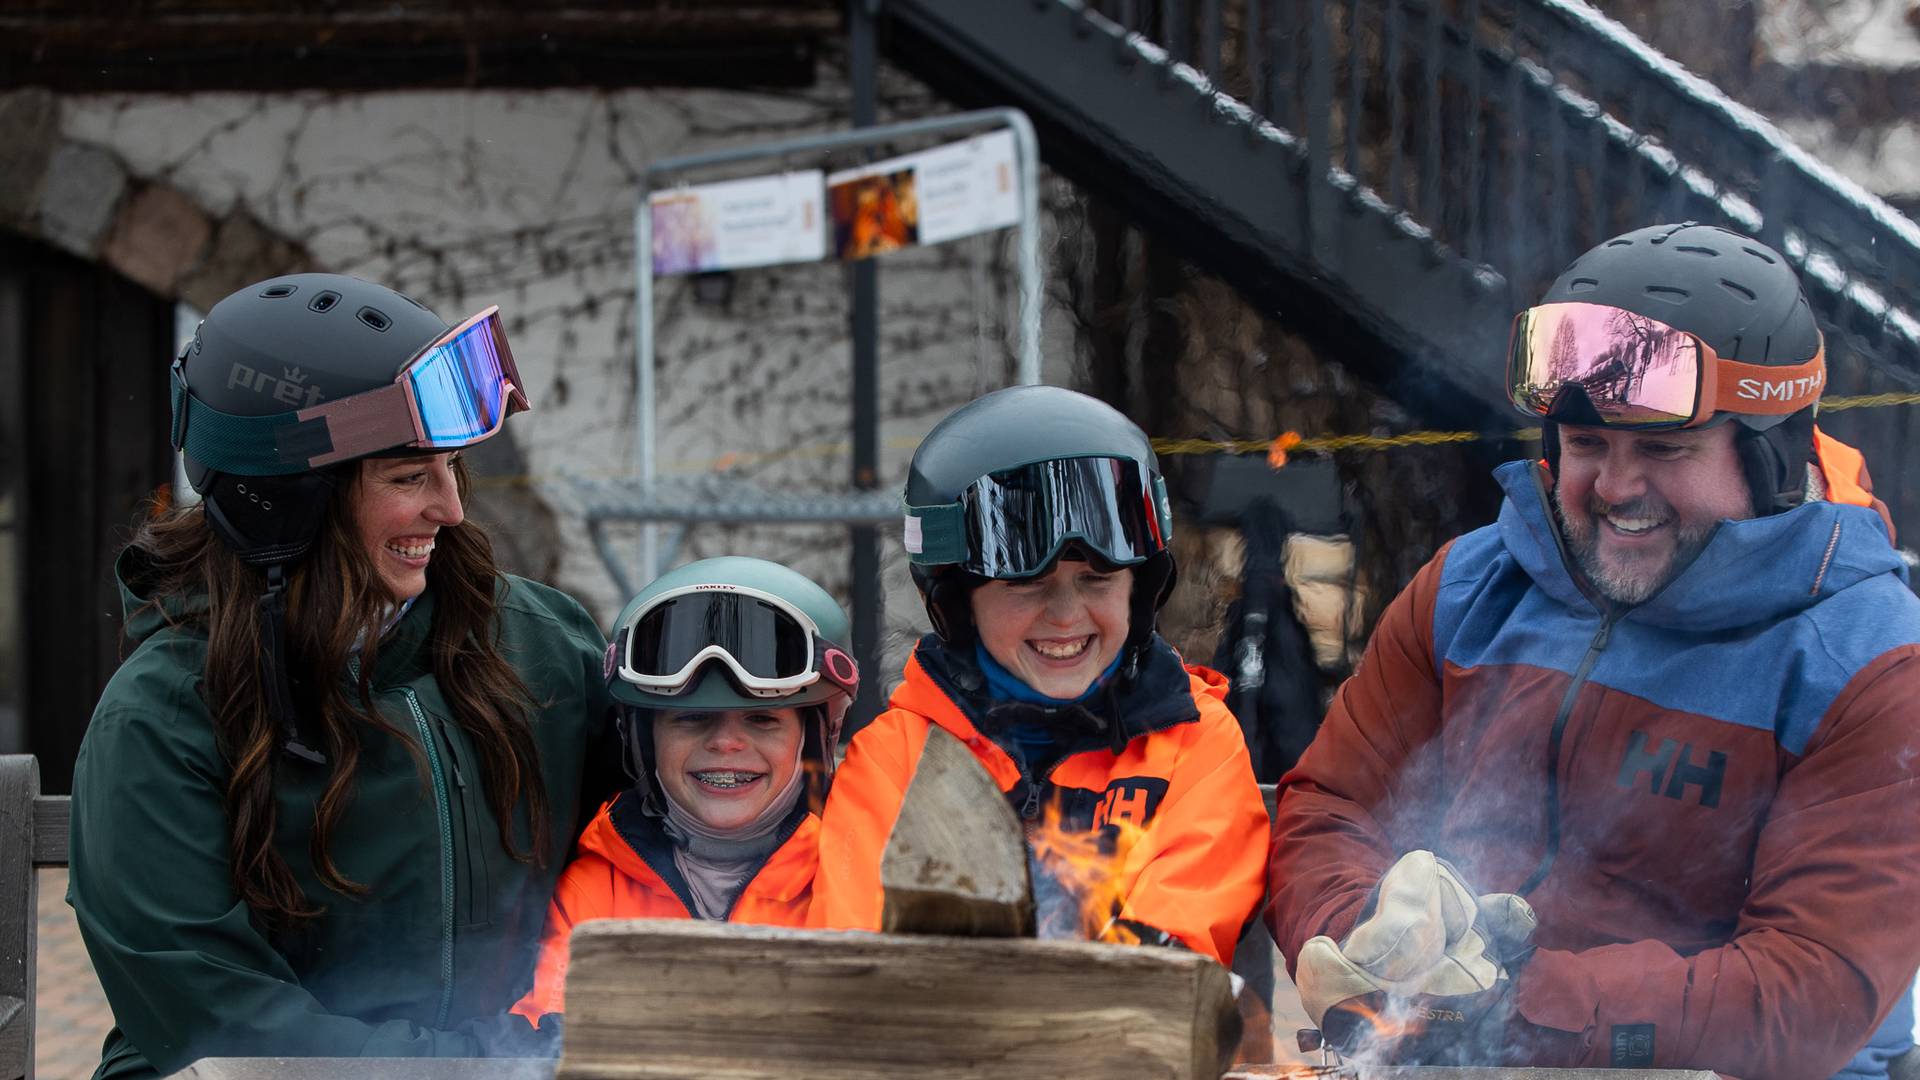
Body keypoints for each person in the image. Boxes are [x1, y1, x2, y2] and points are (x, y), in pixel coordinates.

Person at [1267, 223, 1920, 1080]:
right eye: (1586, 446)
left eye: (1662, 449)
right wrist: (1374, 945)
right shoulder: (1470, 590)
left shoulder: (1867, 665)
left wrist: (1514, 1006)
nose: (1615, 488)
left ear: (1770, 460)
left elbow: (1806, 991)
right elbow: (1329, 806)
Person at [68, 274, 619, 1078]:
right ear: (288, 503)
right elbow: (224, 1028)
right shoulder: (162, 717)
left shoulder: (536, 642)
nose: (450, 508)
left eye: (451, 466)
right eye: (406, 477)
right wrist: (490, 1071)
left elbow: (665, 836)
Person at [813, 385, 1268, 965]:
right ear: (958, 602)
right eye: (1026, 584)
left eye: (1096, 579)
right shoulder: (897, 759)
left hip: (1132, 1048)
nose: (1066, 615)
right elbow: (858, 959)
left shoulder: (1193, 743)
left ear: (1142, 589)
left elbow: (1171, 955)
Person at [510, 556, 859, 1027]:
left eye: (762, 719)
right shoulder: (595, 894)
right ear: (644, 741)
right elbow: (544, 1045)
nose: (725, 743)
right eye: (692, 719)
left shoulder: (861, 877)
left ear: (820, 736)